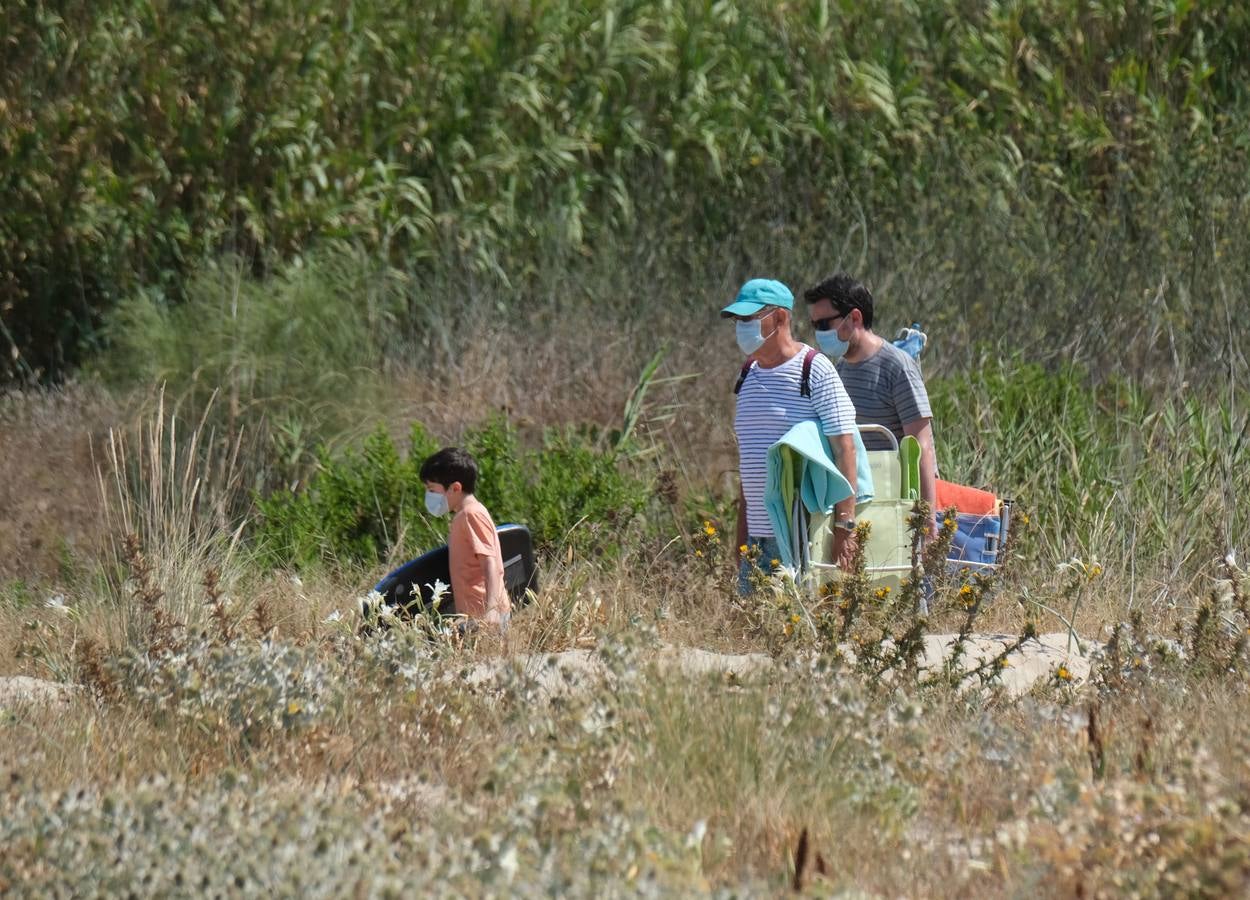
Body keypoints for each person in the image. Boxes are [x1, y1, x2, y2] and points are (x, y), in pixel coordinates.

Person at [723, 278, 860, 592]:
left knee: (799, 634)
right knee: (755, 635)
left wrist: (845, 528)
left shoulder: (814, 370)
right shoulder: (747, 376)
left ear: (781, 318)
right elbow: (750, 465)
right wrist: (741, 538)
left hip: (803, 537)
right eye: (738, 320)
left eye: (749, 319)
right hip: (756, 540)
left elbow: (845, 450)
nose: (741, 327)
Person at [803, 273, 937, 533]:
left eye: (824, 324)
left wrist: (928, 520)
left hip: (898, 502)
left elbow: (921, 446)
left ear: (854, 318)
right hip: (862, 501)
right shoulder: (838, 370)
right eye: (814, 326)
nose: (819, 334)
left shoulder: (897, 366)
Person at [419, 447, 510, 630]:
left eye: (432, 489)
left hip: (485, 617)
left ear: (455, 488)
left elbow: (489, 562)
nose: (429, 495)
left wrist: (491, 609)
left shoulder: (471, 515)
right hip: (475, 616)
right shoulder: (466, 515)